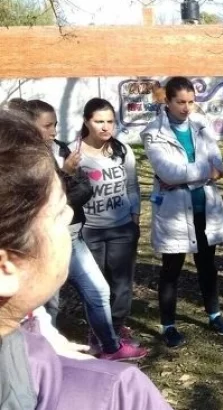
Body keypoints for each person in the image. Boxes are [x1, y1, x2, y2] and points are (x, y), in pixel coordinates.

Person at [0, 110, 172, 409]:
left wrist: (48, 343)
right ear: (5, 268)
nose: (69, 215)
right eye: (57, 214)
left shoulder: (118, 150)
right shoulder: (120, 394)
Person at [19, 99, 146, 361]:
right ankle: (44, 354)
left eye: (55, 125)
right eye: (47, 126)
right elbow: (43, 201)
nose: (54, 131)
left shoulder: (61, 150)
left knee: (100, 289)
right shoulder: (23, 159)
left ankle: (109, 346)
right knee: (49, 300)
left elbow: (84, 191)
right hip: (47, 239)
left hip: (75, 233)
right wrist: (65, 173)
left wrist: (134, 215)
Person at [141, 76, 223, 347]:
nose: (186, 107)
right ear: (167, 101)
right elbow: (167, 172)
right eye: (180, 102)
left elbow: (218, 161)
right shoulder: (153, 132)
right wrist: (205, 172)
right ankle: (168, 324)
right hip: (174, 212)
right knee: (172, 269)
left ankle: (214, 314)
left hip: (204, 206)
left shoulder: (201, 125)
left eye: (191, 101)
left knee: (208, 265)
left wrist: (189, 175)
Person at [70, 98, 148, 357]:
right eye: (98, 121)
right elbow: (64, 189)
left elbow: (132, 186)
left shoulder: (122, 150)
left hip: (122, 228)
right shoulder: (74, 153)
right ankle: (97, 332)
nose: (105, 127)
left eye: (110, 121)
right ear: (86, 122)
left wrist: (134, 217)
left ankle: (117, 327)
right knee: (96, 286)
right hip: (89, 230)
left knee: (122, 284)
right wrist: (66, 170)